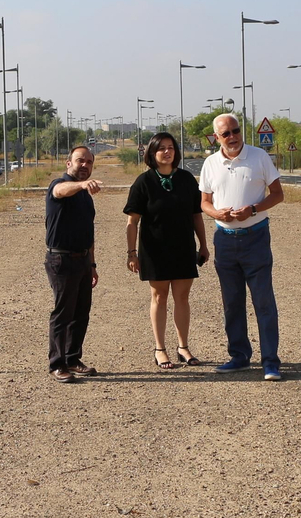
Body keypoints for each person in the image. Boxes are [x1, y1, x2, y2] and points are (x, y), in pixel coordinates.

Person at [199, 113, 286, 380]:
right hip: (225, 240)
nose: (232, 137)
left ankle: (270, 361)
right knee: (231, 303)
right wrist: (217, 214)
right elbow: (204, 202)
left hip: (256, 238)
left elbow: (278, 194)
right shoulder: (210, 164)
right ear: (216, 138)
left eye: (235, 131)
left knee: (263, 302)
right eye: (225, 134)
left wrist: (254, 209)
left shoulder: (259, 157)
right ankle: (239, 356)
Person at [123, 132, 210, 369]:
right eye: (161, 148)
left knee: (182, 297)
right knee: (159, 297)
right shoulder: (144, 182)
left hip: (183, 248)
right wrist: (132, 253)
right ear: (152, 153)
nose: (167, 152)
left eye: (171, 148)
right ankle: (160, 349)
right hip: (154, 249)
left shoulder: (187, 180)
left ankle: (183, 347)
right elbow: (132, 222)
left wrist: (203, 244)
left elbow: (196, 216)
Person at [44, 145, 102, 383]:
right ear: (69, 163)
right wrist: (80, 185)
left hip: (82, 260)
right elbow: (60, 191)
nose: (85, 166)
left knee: (81, 313)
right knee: (63, 313)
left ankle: (73, 358)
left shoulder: (85, 197)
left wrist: (93, 264)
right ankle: (57, 364)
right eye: (80, 161)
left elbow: (89, 232)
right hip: (61, 259)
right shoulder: (60, 185)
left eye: (89, 162)